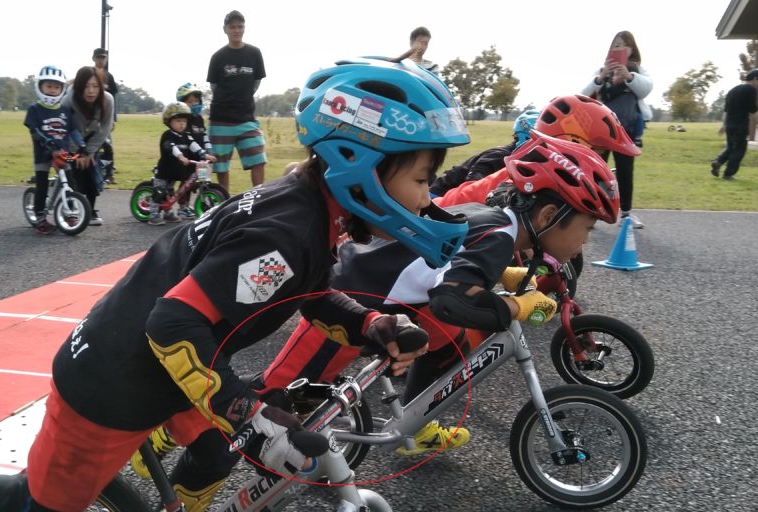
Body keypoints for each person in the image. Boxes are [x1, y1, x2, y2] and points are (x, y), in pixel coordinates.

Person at [0, 57, 472, 512]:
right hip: (114, 379)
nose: (427, 198)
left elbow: (302, 294)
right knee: (33, 504)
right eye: (421, 179)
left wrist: (369, 324)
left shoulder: (310, 210)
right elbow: (173, 322)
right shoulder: (287, 229)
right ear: (358, 163)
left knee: (216, 456)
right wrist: (250, 414)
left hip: (173, 366)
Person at [256, 132, 622, 457]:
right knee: (277, 395)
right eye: (586, 228)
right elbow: (452, 301)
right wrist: (517, 305)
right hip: (349, 297)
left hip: (391, 297)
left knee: (449, 342)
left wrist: (505, 276)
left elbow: (453, 267)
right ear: (546, 217)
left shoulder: (494, 219)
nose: (585, 241)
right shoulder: (499, 237)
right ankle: (251, 450)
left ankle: (414, 423)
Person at [436, 94, 640, 208]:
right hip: (440, 212)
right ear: (570, 142)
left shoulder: (541, 176)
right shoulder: (521, 176)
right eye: (598, 152)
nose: (600, 162)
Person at [582, 31, 652, 228]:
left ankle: (626, 214)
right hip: (600, 129)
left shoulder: (638, 71)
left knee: (625, 171)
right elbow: (584, 94)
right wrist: (602, 76)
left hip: (626, 130)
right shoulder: (600, 70)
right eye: (615, 45)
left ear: (632, 49)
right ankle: (593, 212)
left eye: (622, 45)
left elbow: (646, 88)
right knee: (598, 171)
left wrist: (629, 76)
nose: (618, 49)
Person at [207, 10, 267, 193]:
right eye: (232, 27)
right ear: (225, 29)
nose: (236, 30)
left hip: (247, 119)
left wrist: (242, 97)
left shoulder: (254, 53)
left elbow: (256, 83)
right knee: (221, 167)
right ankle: (223, 203)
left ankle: (258, 200)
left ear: (244, 28)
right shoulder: (218, 57)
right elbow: (214, 87)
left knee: (258, 160)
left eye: (240, 26)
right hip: (221, 120)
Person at [428, 108, 539, 198]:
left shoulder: (516, 159)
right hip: (439, 195)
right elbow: (472, 186)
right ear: (527, 137)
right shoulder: (499, 156)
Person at [23, 65, 80, 235]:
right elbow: (34, 131)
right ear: (40, 87)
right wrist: (46, 140)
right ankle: (40, 217)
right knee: (42, 186)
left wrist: (81, 144)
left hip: (62, 153)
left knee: (70, 183)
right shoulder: (34, 109)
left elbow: (73, 131)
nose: (52, 90)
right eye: (48, 86)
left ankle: (70, 214)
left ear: (62, 89)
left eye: (56, 87)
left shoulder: (64, 111)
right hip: (43, 154)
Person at [148, 102, 217, 226]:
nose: (182, 124)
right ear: (169, 121)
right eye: (178, 121)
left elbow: (194, 145)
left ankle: (168, 213)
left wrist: (205, 155)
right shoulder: (167, 135)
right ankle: (153, 214)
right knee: (160, 192)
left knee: (170, 193)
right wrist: (180, 156)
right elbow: (171, 147)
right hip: (164, 171)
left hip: (175, 172)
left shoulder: (186, 136)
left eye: (184, 121)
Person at [63, 66, 115, 226]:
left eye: (95, 86)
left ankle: (90, 210)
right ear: (79, 87)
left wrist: (89, 152)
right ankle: (70, 211)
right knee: (73, 177)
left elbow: (105, 128)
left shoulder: (107, 100)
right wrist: (77, 153)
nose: (91, 91)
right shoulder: (68, 100)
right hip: (72, 140)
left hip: (92, 139)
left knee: (92, 175)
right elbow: (64, 128)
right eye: (86, 86)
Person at [710, 68, 758, 181]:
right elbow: (753, 110)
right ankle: (728, 174)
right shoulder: (751, 90)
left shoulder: (732, 90)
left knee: (730, 147)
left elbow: (726, 111)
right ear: (754, 79)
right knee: (740, 149)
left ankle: (718, 162)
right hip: (741, 125)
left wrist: (724, 125)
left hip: (730, 124)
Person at [177, 82, 215, 218]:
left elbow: (204, 135)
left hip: (201, 157)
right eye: (190, 101)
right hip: (188, 156)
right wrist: (202, 152)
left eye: (196, 101)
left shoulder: (199, 119)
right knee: (187, 181)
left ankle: (201, 201)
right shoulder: (183, 120)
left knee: (201, 180)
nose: (194, 103)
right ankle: (182, 206)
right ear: (182, 103)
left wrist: (209, 149)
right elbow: (190, 140)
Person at [92, 48, 119, 185]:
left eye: (103, 58)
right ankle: (94, 170)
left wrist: (114, 118)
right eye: (98, 57)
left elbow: (113, 98)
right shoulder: (89, 75)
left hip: (106, 115)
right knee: (92, 143)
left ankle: (109, 173)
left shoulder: (109, 77)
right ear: (94, 59)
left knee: (107, 144)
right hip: (91, 116)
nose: (101, 60)